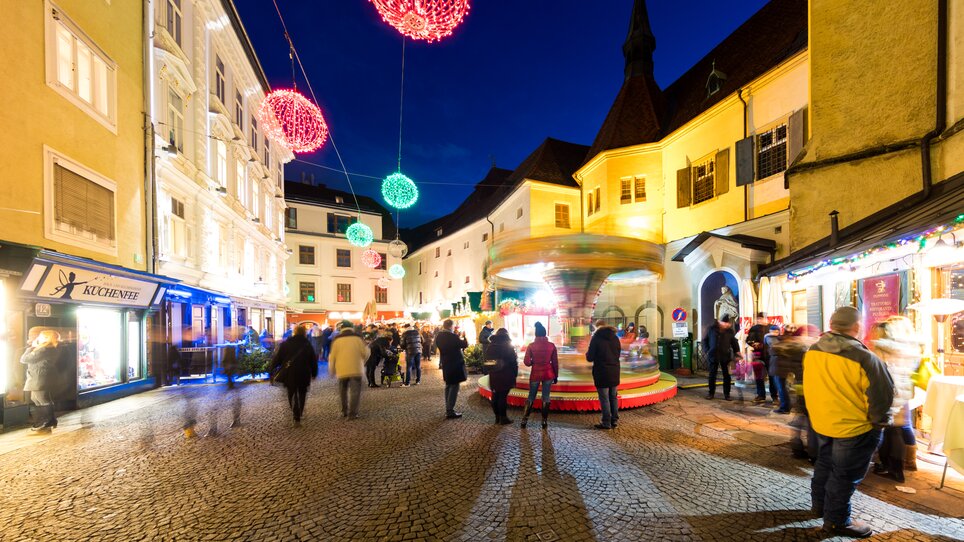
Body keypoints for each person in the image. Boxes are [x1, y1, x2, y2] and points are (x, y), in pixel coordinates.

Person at [805, 306, 894, 538]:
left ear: (832, 325)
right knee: (844, 476)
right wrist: (878, 424)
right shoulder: (865, 357)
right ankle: (836, 522)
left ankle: (820, 506)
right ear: (856, 327)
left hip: (823, 422)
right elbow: (882, 397)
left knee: (824, 466)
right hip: (854, 427)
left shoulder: (814, 350)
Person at [868, 317, 920, 483]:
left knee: (889, 430)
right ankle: (897, 467)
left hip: (888, 391)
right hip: (902, 391)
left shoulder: (884, 347)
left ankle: (893, 469)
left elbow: (877, 370)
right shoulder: (911, 346)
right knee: (896, 430)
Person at [270, 325, 319, 426]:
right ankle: (299, 413)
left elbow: (277, 359)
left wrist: (271, 370)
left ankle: (295, 414)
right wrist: (314, 373)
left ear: (294, 332)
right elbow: (313, 360)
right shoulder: (307, 344)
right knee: (302, 393)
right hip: (304, 373)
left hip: (290, 373)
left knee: (291, 393)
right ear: (304, 333)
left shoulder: (286, 344)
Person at [20, 330, 61, 433]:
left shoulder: (44, 349)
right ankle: (45, 421)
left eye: (41, 336)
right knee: (36, 398)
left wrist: (31, 348)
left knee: (42, 399)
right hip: (39, 377)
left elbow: (24, 359)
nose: (39, 337)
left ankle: (49, 421)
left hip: (39, 377)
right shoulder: (49, 348)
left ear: (47, 338)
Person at [328, 322, 370, 419]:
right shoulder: (358, 338)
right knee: (355, 392)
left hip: (341, 370)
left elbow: (332, 357)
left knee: (343, 391)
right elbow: (365, 353)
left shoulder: (337, 339)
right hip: (356, 369)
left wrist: (332, 370)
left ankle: (344, 411)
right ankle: (353, 413)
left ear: (341, 328)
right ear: (352, 328)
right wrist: (363, 362)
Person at [522, 321, 558, 429]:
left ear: (536, 334)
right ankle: (544, 421)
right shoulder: (551, 346)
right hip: (548, 373)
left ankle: (524, 420)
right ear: (545, 333)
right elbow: (555, 362)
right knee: (546, 397)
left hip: (535, 374)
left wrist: (534, 362)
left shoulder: (531, 346)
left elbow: (527, 362)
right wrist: (556, 375)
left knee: (531, 396)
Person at [586, 320, 621, 430]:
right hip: (614, 371)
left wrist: (587, 353)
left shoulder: (596, 338)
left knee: (604, 398)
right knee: (613, 397)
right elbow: (618, 354)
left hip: (602, 372)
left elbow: (590, 357)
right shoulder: (615, 338)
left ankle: (606, 422)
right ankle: (614, 420)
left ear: (597, 327)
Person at [483, 328, 518, 425]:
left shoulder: (491, 345)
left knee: (495, 394)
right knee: (502, 396)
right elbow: (513, 362)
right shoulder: (508, 345)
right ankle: (503, 418)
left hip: (494, 374)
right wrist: (515, 374)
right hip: (505, 373)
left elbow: (486, 360)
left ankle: (497, 417)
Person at [702, 315, 741, 400]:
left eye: (728, 323)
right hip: (713, 355)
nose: (727, 325)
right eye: (725, 323)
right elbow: (705, 340)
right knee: (712, 375)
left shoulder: (730, 331)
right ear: (720, 322)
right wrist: (707, 350)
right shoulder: (711, 329)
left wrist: (737, 352)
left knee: (726, 376)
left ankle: (727, 394)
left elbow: (734, 342)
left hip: (725, 356)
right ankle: (711, 393)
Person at [435, 319, 468, 419]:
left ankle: (448, 407)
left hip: (446, 362)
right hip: (455, 363)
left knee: (448, 385)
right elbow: (464, 344)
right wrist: (464, 336)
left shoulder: (439, 336)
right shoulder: (453, 336)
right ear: (450, 326)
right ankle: (450, 410)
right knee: (454, 386)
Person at [765, 325, 791, 413]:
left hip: (778, 366)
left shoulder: (771, 339)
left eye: (777, 331)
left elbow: (774, 350)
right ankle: (785, 406)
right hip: (781, 366)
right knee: (782, 387)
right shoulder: (784, 340)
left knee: (781, 387)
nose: (776, 333)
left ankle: (785, 408)